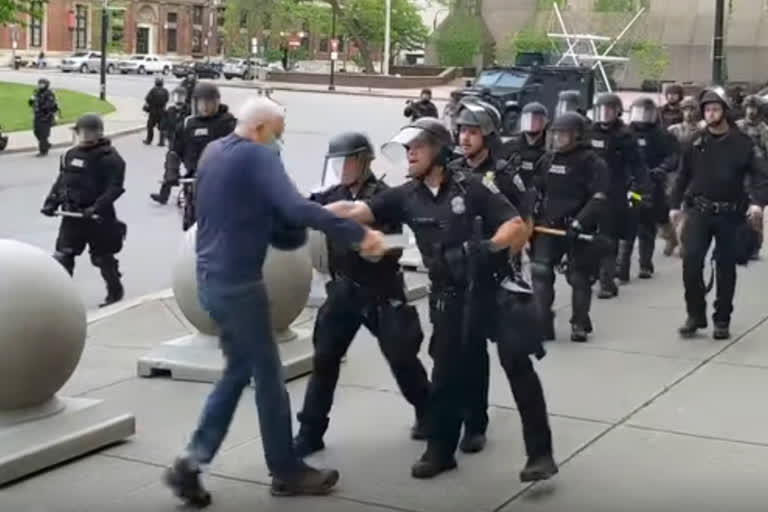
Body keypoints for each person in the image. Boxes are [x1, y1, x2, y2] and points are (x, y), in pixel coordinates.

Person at [163, 97, 387, 506]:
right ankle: (285, 470)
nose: (279, 145)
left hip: (209, 281)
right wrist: (358, 233)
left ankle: (192, 464)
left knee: (237, 374)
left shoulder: (216, 152)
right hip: (240, 286)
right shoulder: (256, 157)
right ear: (261, 129)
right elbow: (292, 207)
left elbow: (259, 212)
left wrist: (316, 211)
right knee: (268, 378)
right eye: (278, 136)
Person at [324, 117, 557, 482]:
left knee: (518, 367)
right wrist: (302, 212)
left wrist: (486, 248)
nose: (410, 153)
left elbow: (515, 225)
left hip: (493, 287)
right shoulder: (405, 196)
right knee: (446, 373)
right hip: (449, 294)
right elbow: (355, 211)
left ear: (439, 149)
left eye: (418, 146)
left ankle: (540, 454)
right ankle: (440, 450)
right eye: (407, 148)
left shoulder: (474, 187)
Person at [293, 132, 431, 456]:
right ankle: (310, 431)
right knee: (325, 359)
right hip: (343, 291)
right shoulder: (332, 194)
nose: (341, 169)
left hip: (381, 291)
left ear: (363, 161)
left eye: (346, 162)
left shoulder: (382, 198)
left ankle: (428, 411)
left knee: (401, 357)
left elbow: (399, 244)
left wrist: (378, 248)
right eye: (336, 163)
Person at [448, 100, 555, 464]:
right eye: (462, 130)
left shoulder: (506, 174)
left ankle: (540, 454)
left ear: (488, 136)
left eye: (473, 131)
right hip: (466, 280)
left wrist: (495, 248)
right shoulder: (451, 171)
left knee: (517, 363)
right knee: (469, 357)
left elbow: (524, 226)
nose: (465, 137)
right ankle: (474, 424)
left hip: (501, 277)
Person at [670, 89, 768, 340]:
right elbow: (682, 176)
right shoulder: (694, 141)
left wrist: (757, 203)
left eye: (715, 108)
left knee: (726, 268)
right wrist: (674, 205)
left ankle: (722, 318)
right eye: (706, 110)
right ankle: (695, 314)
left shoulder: (743, 142)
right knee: (691, 262)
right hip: (699, 210)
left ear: (724, 110)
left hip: (730, 213)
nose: (710, 113)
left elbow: (760, 175)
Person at [532, 112, 610, 342]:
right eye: (555, 133)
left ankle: (579, 322)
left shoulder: (592, 162)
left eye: (563, 134)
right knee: (540, 272)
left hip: (578, 229)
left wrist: (580, 222)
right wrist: (531, 214)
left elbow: (598, 197)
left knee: (579, 277)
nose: (558, 138)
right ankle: (543, 321)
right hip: (548, 227)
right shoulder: (547, 160)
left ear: (577, 135)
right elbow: (535, 190)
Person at [40, 114, 127, 307]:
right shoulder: (70, 155)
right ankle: (59, 298)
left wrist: (96, 207)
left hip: (98, 217)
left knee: (102, 258)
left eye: (90, 132)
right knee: (63, 257)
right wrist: (51, 202)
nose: (86, 136)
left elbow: (115, 188)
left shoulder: (110, 158)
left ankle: (115, 291)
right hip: (72, 216)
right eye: (83, 132)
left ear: (99, 133)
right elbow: (62, 181)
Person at [589, 93, 649, 299]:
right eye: (601, 110)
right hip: (587, 190)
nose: (604, 115)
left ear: (617, 112)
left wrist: (640, 189)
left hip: (615, 191)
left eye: (609, 111)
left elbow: (637, 165)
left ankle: (607, 281)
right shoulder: (589, 132)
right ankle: (592, 274)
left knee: (609, 236)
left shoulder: (625, 135)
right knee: (586, 236)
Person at [150, 83, 236, 226]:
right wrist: (171, 172)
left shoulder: (227, 123)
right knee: (190, 216)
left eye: (210, 103)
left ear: (217, 102)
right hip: (194, 177)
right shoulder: (187, 124)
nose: (206, 108)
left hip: (222, 178)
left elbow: (240, 149)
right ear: (195, 103)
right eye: (202, 104)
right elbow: (174, 152)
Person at [619, 97, 680, 280]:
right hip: (632, 187)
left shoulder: (663, 135)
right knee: (630, 223)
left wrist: (662, 168)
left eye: (647, 113)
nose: (642, 117)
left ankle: (645, 264)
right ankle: (622, 266)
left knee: (648, 223)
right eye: (639, 112)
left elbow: (673, 156)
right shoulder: (625, 134)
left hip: (653, 186)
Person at [736, 95, 768, 258]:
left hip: (758, 177)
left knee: (756, 213)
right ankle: (740, 245)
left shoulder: (764, 130)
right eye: (749, 107)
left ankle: (755, 246)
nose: (751, 111)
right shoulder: (736, 127)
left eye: (754, 107)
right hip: (738, 175)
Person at [503, 102, 549, 184]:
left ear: (544, 122)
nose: (531, 123)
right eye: (528, 119)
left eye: (536, 119)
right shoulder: (509, 147)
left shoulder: (551, 149)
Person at [28, 78, 59, 157]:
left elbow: (49, 105)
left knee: (43, 134)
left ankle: (43, 151)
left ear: (46, 85)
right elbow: (31, 103)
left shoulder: (49, 94)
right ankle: (46, 144)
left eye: (42, 84)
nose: (40, 85)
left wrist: (40, 104)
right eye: (39, 84)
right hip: (37, 115)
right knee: (36, 132)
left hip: (46, 116)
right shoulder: (36, 93)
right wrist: (31, 100)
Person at [143, 77, 170, 146]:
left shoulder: (153, 90)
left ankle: (149, 140)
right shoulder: (165, 91)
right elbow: (167, 99)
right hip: (162, 111)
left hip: (153, 111)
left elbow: (147, 99)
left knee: (150, 126)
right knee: (162, 127)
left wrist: (147, 106)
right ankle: (161, 142)